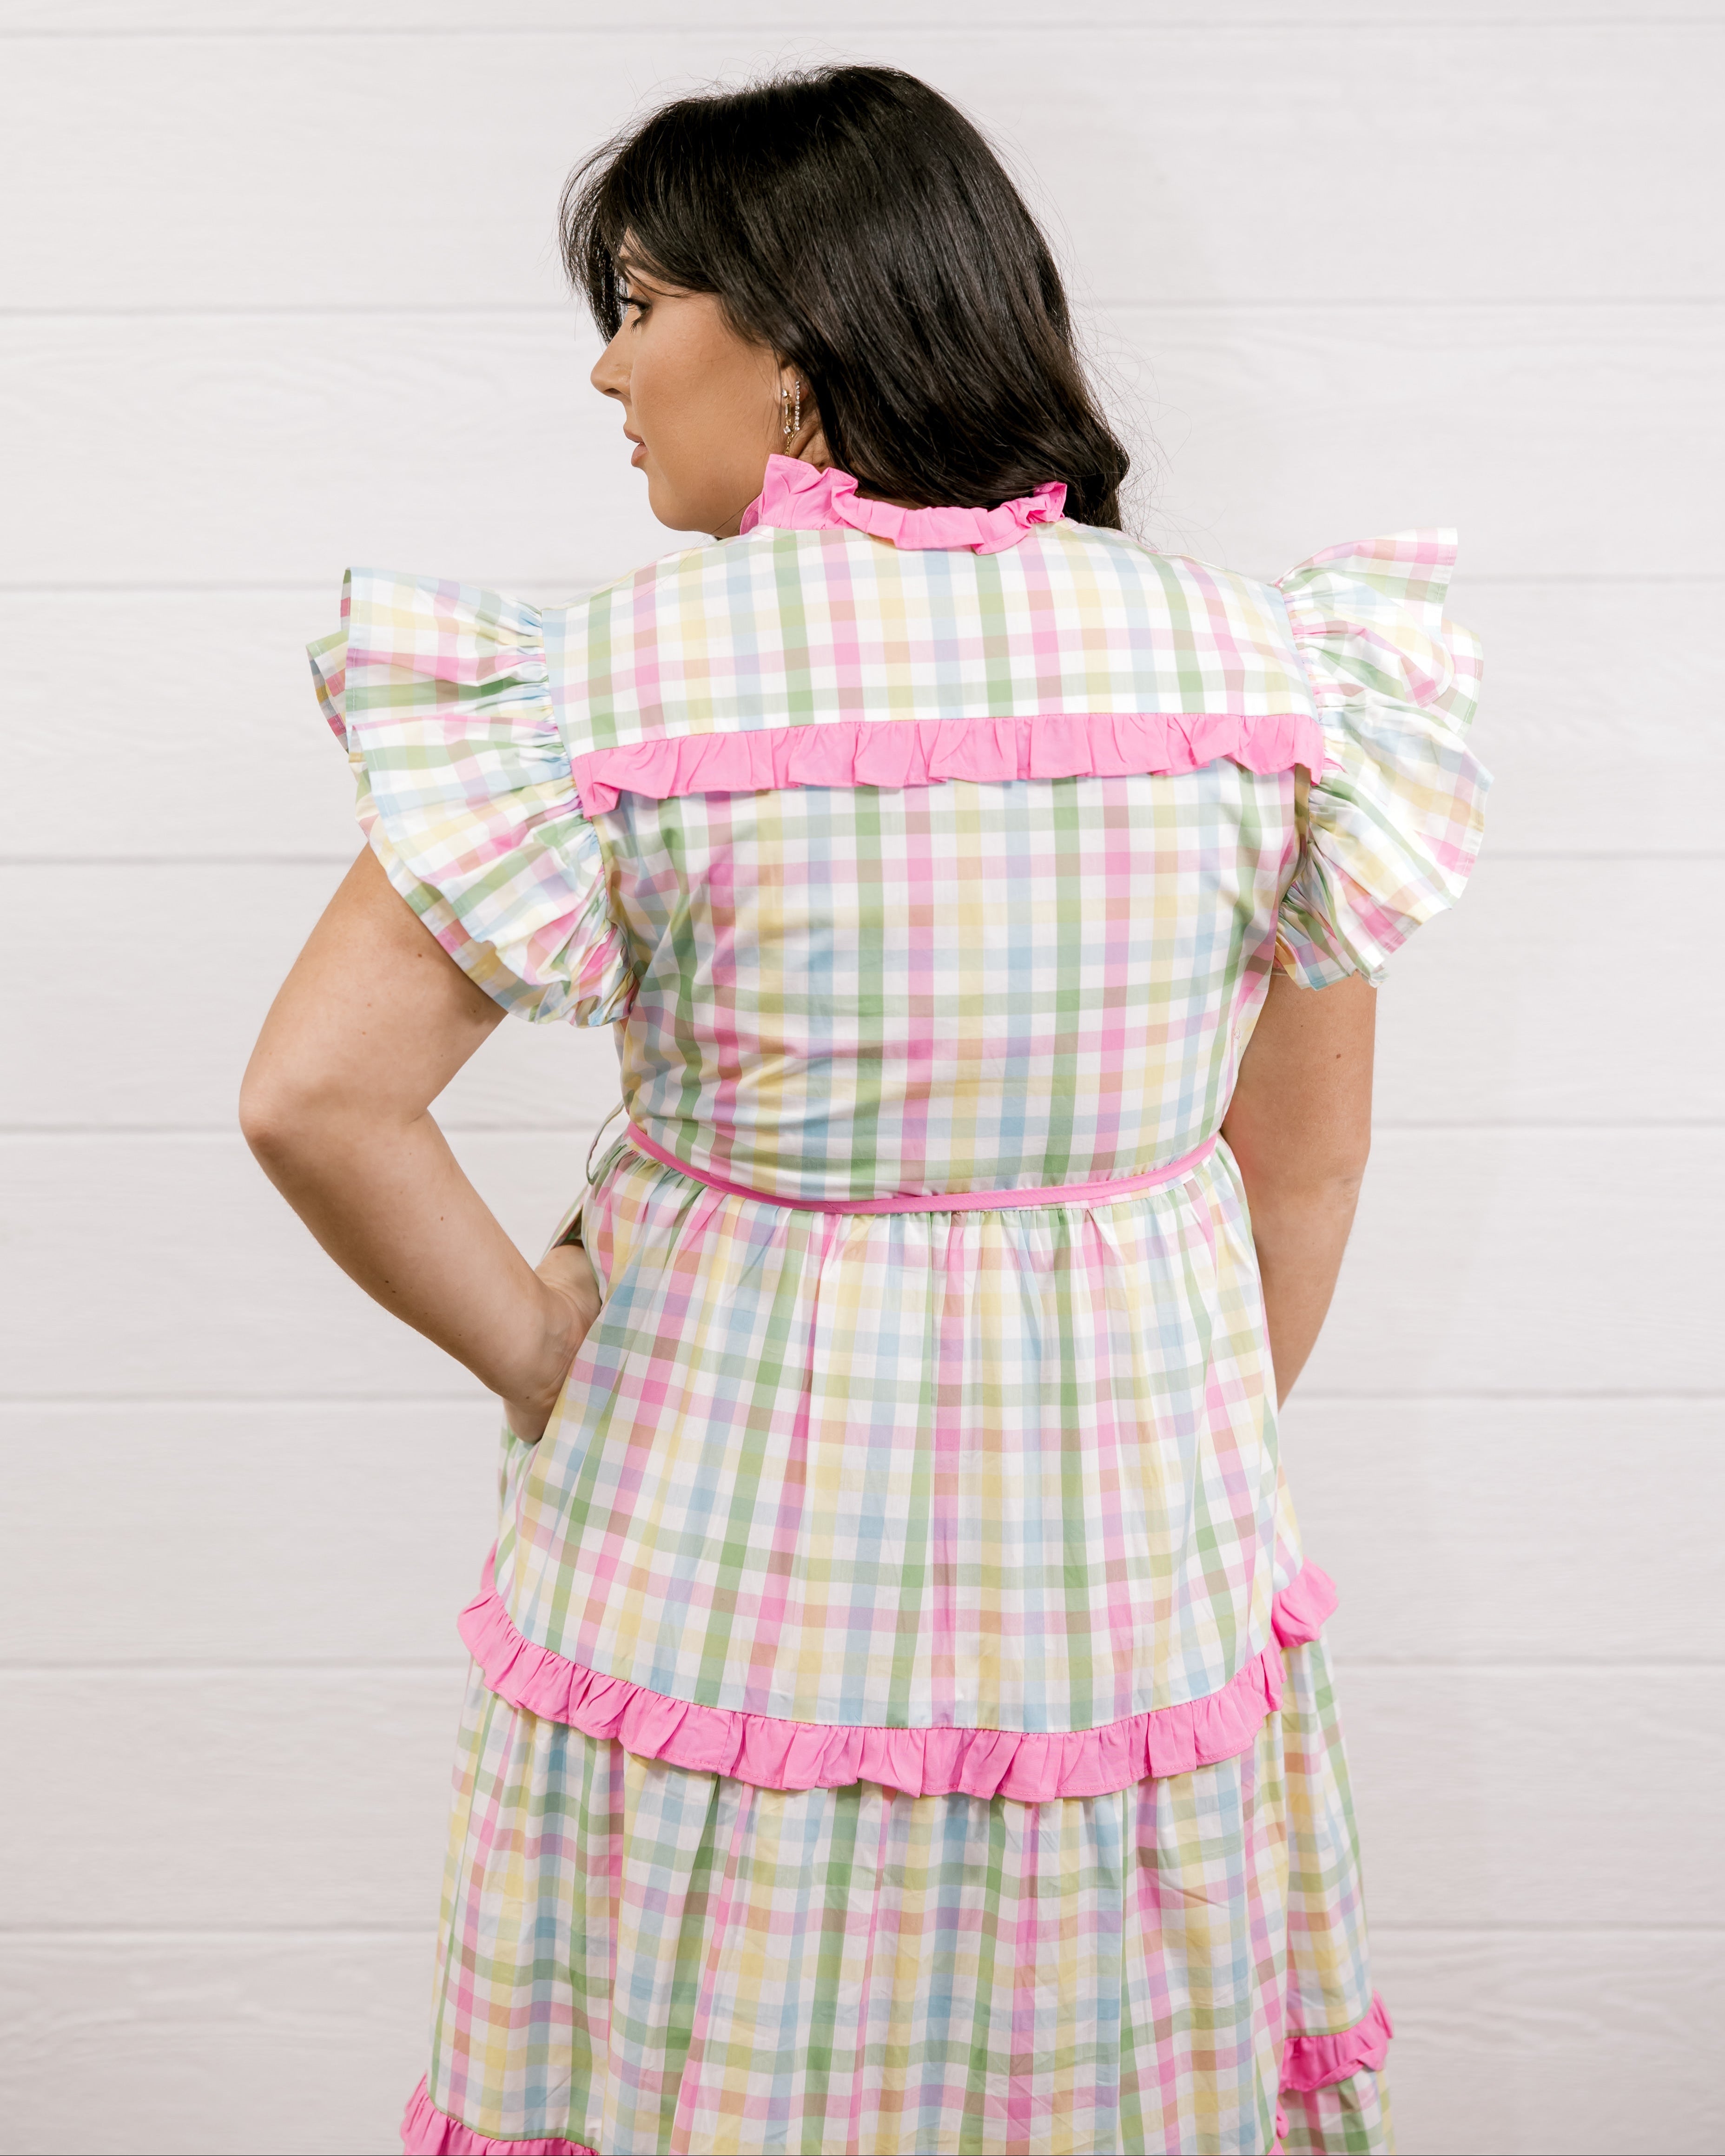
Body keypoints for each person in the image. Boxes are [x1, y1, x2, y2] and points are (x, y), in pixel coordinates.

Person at [241, 64, 1486, 2156]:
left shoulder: (623, 684)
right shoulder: (1269, 671)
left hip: (711, 1507)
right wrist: (1168, 1440)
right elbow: (1311, 1153)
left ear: (796, 329)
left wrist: (552, 1348)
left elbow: (315, 1097)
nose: (609, 367)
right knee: (1104, 2039)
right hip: (1130, 1534)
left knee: (713, 2031)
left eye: (640, 301)